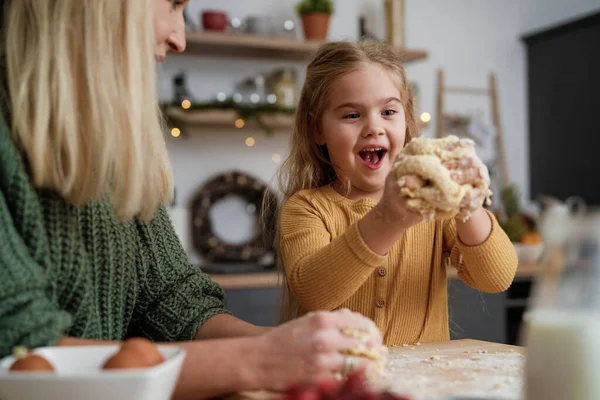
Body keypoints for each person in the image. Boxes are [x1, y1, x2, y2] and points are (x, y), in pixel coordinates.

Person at [0, 1, 384, 398]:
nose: (179, 38)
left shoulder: (110, 146)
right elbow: (20, 349)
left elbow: (175, 301)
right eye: (173, 5)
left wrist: (288, 346)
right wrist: (263, 359)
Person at [276, 40, 518, 346]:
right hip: (342, 384)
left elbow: (496, 278)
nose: (373, 127)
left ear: (407, 120)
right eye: (352, 115)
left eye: (388, 111)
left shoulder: (434, 207)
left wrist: (466, 202)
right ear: (317, 129)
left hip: (424, 386)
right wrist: (387, 219)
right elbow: (314, 291)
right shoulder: (307, 208)